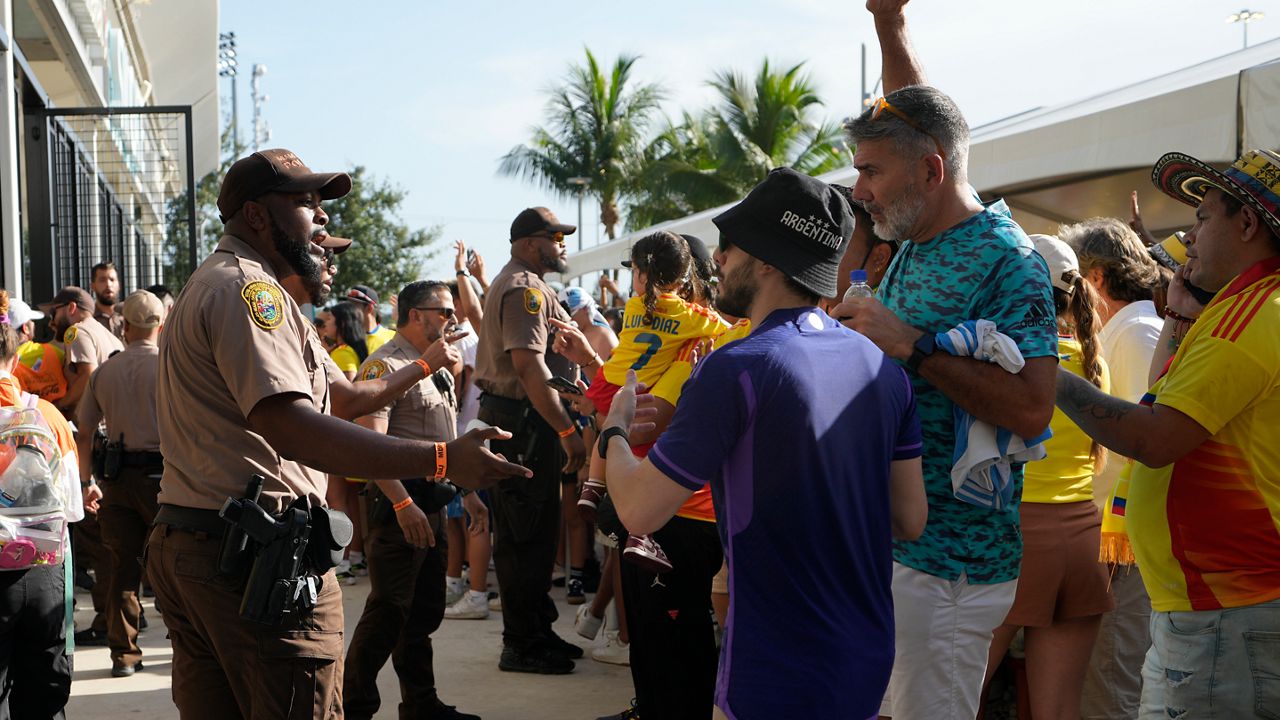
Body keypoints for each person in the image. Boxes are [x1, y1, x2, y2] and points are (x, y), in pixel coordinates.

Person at [147, 147, 528, 718]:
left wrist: (422, 365)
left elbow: (345, 398)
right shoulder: (249, 292)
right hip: (250, 557)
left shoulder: (237, 288)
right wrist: (443, 460)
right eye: (304, 202)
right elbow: (291, 427)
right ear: (255, 215)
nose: (322, 218)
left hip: (212, 545)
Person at [599, 167, 926, 719]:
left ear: (769, 258)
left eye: (731, 245)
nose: (719, 260)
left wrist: (614, 428)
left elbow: (638, 510)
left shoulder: (739, 367)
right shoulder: (883, 368)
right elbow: (910, 518)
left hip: (775, 664)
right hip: (864, 655)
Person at [839, 4, 1059, 718]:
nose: (858, 190)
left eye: (870, 171)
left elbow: (1031, 408)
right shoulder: (913, 233)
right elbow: (917, 113)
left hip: (949, 572)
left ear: (930, 171)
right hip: (894, 553)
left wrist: (910, 343)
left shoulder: (1009, 260)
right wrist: (888, 25)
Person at [1054, 148, 1280, 720]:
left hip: (1227, 614)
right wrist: (1179, 319)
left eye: (1203, 218)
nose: (1190, 235)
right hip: (1221, 611)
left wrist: (1039, 371)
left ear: (1247, 224)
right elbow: (1161, 405)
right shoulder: (1250, 308)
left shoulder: (1253, 314)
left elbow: (1152, 438)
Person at [979, 235, 1114, 720]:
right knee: (1058, 711)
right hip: (1082, 540)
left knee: (952, 699)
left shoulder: (1002, 360)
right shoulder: (1094, 361)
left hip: (1015, 538)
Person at [343, 280, 480, 720]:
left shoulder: (435, 363)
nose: (452, 319)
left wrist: (469, 492)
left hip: (434, 499)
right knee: (388, 610)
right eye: (443, 311)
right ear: (415, 315)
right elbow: (370, 444)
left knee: (422, 612)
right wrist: (403, 504)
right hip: (398, 502)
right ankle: (351, 706)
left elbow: (447, 438)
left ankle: (421, 704)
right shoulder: (385, 366)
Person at [1058, 217, 1166, 719]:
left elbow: (1148, 445)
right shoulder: (1128, 332)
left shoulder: (1138, 333)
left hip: (1122, 550)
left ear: (1096, 278)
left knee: (1112, 683)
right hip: (1110, 544)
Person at [473, 206, 586, 675]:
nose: (561, 244)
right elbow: (528, 366)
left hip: (522, 418)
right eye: (553, 236)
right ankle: (521, 644)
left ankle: (536, 630)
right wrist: (566, 431)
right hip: (521, 420)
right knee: (524, 535)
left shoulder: (528, 284)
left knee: (536, 535)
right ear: (527, 243)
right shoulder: (523, 288)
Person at [0, 289, 84, 720]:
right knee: (42, 698)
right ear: (15, 357)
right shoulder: (46, 416)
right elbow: (71, 508)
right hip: (40, 571)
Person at [75, 290, 167, 677]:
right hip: (168, 480)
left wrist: (84, 482)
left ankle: (124, 656)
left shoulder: (104, 373)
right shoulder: (173, 366)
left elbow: (83, 432)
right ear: (160, 326)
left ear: (124, 326)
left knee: (119, 571)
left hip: (117, 481)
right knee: (175, 568)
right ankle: (188, 646)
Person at [40, 285, 123, 414]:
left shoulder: (77, 332)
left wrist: (59, 406)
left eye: (53, 313)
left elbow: (88, 376)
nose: (52, 322)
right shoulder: (110, 337)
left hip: (95, 429)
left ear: (71, 308)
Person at [10, 298, 67, 404]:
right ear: (25, 328)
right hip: (58, 418)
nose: (33, 324)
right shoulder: (54, 353)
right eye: (31, 321)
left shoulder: (5, 363)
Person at [326, 300, 371, 381]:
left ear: (342, 324)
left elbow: (348, 390)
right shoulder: (351, 349)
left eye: (329, 318)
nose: (325, 323)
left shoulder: (342, 352)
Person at [346, 284, 396, 353]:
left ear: (369, 308)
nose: (347, 310)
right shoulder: (345, 342)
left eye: (353, 306)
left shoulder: (394, 338)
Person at [90, 261, 125, 340]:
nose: (108, 285)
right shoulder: (89, 319)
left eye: (112, 280)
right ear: (92, 286)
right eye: (102, 280)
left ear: (119, 285)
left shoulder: (128, 316)